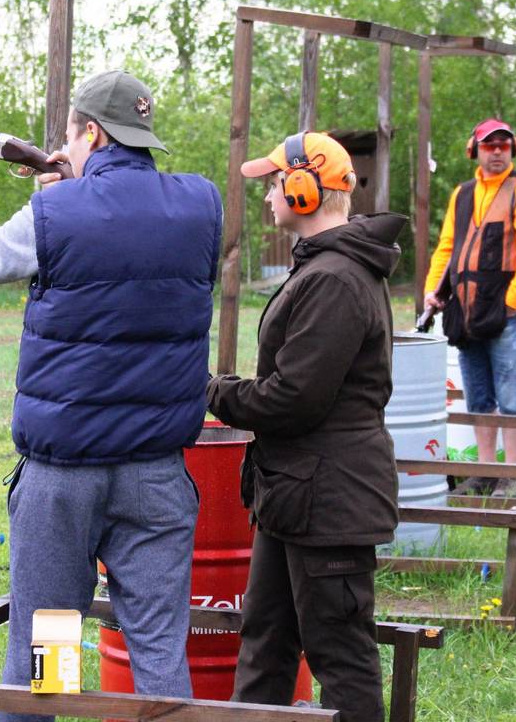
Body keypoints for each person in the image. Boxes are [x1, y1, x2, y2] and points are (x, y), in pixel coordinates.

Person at [0, 70, 222, 721]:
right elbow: (131, 246)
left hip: (63, 482)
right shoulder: (202, 205)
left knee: (50, 645)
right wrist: (76, 194)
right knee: (158, 653)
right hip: (158, 477)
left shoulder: (56, 213)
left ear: (90, 131)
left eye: (70, 131)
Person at [206, 131, 405, 721]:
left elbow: (294, 399)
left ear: (304, 189)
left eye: (274, 183)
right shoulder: (323, 271)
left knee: (341, 657)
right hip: (295, 495)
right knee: (265, 643)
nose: (268, 195)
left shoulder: (335, 280)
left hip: (330, 500)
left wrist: (214, 392)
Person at [423, 118, 516, 497]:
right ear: (474, 150)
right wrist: (434, 290)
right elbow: (448, 247)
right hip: (465, 309)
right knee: (478, 394)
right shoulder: (461, 194)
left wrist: (514, 302)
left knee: (512, 395)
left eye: (503, 145)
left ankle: (511, 477)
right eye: (489, 145)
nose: (497, 151)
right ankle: (484, 471)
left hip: (508, 311)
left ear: (513, 149)